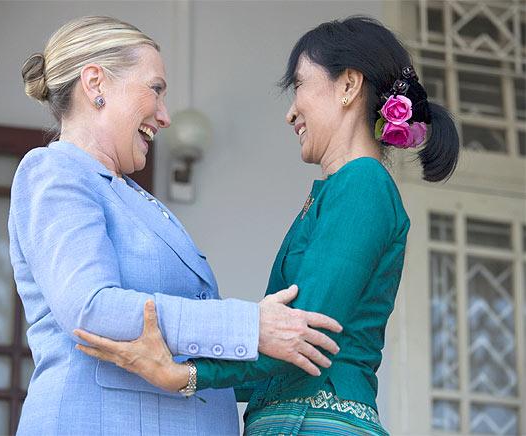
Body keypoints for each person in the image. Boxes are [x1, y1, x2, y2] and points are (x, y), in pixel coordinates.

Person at [75, 16, 461, 435]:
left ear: (348, 86)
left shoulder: (363, 184)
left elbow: (303, 335)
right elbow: (278, 351)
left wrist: (185, 374)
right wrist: (183, 369)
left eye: (299, 86)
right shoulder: (343, 190)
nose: (291, 112)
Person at [10, 16, 344, 436]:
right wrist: (250, 326)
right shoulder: (55, 170)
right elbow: (91, 308)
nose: (165, 116)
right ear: (95, 83)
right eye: (156, 89)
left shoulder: (131, 196)